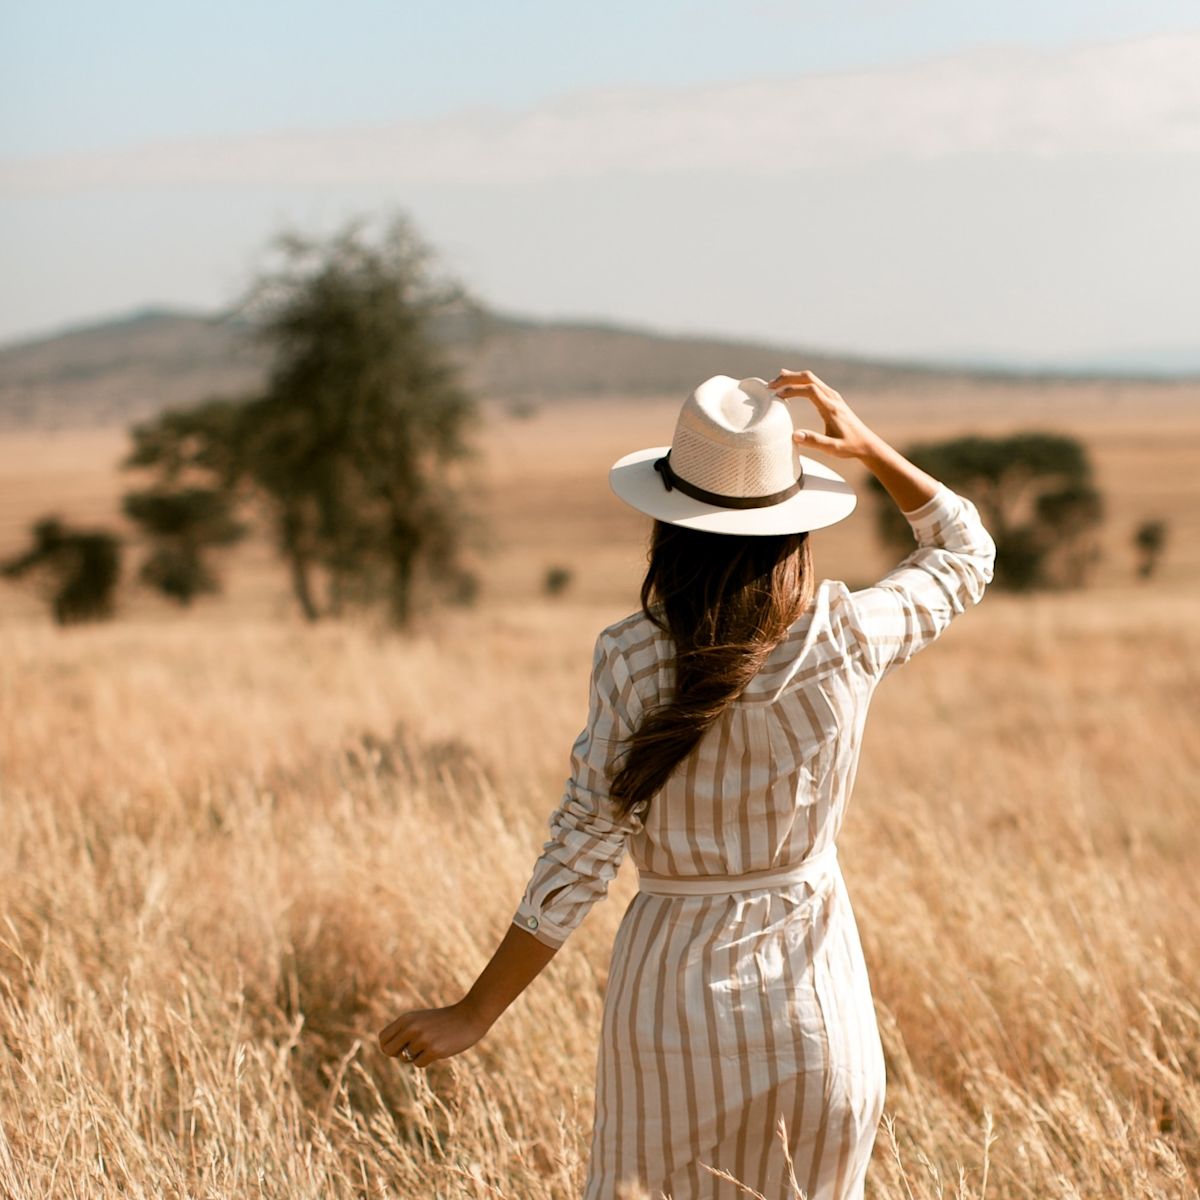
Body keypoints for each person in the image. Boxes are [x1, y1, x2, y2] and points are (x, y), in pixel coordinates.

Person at [380, 370, 997, 1199]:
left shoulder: (632, 656)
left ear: (669, 522)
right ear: (794, 522)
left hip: (674, 1005)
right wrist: (869, 448)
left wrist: (475, 1011)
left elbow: (585, 843)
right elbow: (964, 554)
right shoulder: (848, 632)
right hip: (821, 1018)